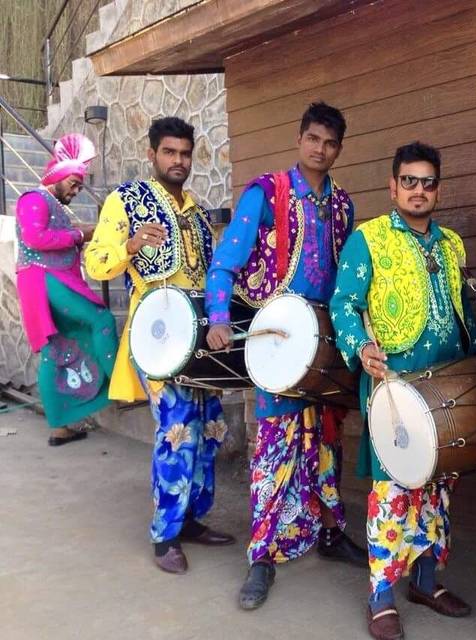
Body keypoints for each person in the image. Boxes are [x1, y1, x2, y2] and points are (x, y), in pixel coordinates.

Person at [204, 102, 365, 610]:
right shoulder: (264, 194)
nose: (321, 149)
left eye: (331, 142)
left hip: (325, 342)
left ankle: (330, 531)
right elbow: (224, 263)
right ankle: (263, 555)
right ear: (300, 139)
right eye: (313, 138)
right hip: (276, 337)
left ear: (339, 149)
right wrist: (217, 318)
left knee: (326, 442)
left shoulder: (342, 205)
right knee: (273, 447)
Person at [330, 142, 476, 640]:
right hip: (391, 387)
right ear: (393, 186)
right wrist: (360, 347)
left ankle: (426, 581)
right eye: (409, 181)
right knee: (392, 492)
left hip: (448, 389)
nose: (419, 190)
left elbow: (463, 307)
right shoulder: (367, 240)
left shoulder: (451, 243)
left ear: (438, 188)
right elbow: (343, 305)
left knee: (438, 489)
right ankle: (380, 597)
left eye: (428, 182)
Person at [84, 117, 235, 574]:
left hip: (199, 340)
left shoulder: (194, 211)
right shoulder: (126, 200)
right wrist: (129, 244)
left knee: (209, 431)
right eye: (170, 152)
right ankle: (164, 535)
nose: (179, 161)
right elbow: (96, 263)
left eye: (185, 154)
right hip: (156, 341)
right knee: (176, 433)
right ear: (152, 154)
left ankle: (191, 520)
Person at [14, 133, 118, 446]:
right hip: (44, 280)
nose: (75, 190)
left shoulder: (48, 202)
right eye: (73, 183)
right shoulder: (34, 199)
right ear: (58, 176)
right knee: (101, 320)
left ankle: (60, 427)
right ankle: (121, 386)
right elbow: (35, 239)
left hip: (45, 281)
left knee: (54, 350)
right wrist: (78, 235)